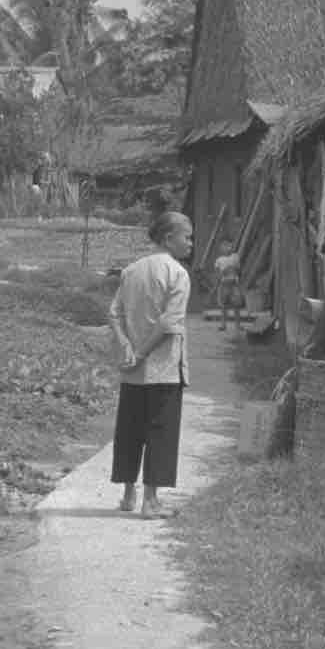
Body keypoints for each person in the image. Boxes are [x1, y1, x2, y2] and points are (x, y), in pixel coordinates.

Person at [108, 211, 193, 519]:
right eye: (187, 237)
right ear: (169, 238)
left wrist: (127, 348)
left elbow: (114, 313)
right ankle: (151, 501)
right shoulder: (177, 273)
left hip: (132, 371)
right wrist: (142, 353)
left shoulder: (132, 270)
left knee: (129, 430)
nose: (191, 243)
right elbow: (169, 323)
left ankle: (127, 495)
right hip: (163, 369)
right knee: (160, 431)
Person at [211, 239, 243, 332]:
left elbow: (239, 270)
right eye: (224, 246)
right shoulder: (219, 260)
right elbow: (217, 273)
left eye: (229, 245)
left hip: (234, 284)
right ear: (220, 248)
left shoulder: (235, 257)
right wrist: (221, 274)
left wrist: (234, 272)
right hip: (224, 284)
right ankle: (223, 325)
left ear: (232, 246)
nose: (227, 248)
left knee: (237, 305)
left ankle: (238, 325)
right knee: (223, 306)